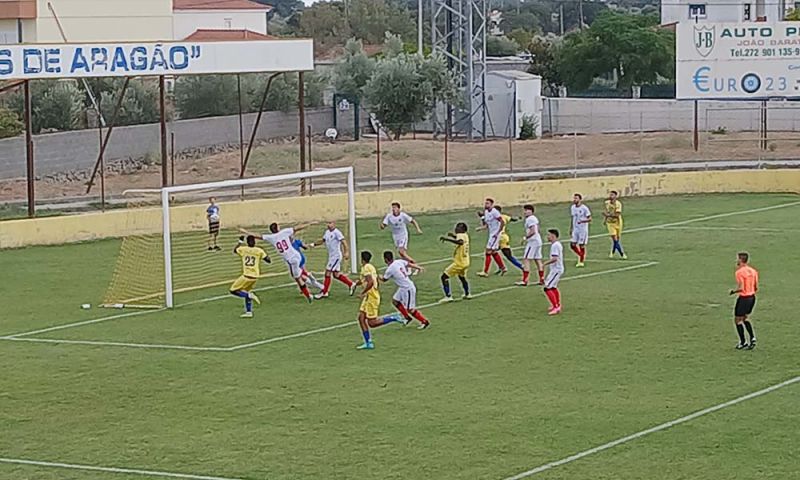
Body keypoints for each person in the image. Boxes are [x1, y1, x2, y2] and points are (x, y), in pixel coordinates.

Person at [239, 222, 317, 303]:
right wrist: (309, 223)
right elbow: (297, 228)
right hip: (297, 255)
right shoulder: (285, 232)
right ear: (278, 228)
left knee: (298, 279)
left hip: (291, 260)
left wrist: (245, 231)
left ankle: (309, 294)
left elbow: (258, 235)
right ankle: (308, 277)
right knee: (297, 274)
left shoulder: (271, 237)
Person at [355, 251, 402, 350]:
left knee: (372, 323)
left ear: (362, 259)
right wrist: (356, 283)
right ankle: (368, 343)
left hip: (371, 297)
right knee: (361, 318)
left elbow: (371, 282)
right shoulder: (370, 267)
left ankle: (393, 318)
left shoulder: (366, 268)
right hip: (369, 297)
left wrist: (362, 293)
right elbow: (367, 280)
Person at [380, 251, 430, 329]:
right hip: (403, 287)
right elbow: (408, 264)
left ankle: (424, 321)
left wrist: (376, 275)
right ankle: (407, 318)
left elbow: (384, 280)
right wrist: (418, 267)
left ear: (385, 259)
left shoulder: (390, 269)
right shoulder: (398, 261)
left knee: (410, 309)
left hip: (407, 288)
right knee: (395, 301)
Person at [229, 235, 270, 318]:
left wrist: (240, 242)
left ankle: (249, 296)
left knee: (233, 290)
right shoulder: (259, 250)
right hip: (255, 277)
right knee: (246, 291)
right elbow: (268, 260)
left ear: (247, 242)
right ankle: (249, 312)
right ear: (255, 242)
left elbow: (235, 250)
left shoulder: (243, 249)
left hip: (246, 276)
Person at [314, 221, 357, 299]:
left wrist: (346, 252)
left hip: (336, 256)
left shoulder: (337, 233)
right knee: (336, 275)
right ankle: (351, 284)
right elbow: (322, 240)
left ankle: (324, 292)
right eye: (327, 223)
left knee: (327, 273)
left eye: (330, 223)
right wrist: (313, 244)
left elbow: (344, 242)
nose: (328, 225)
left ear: (334, 224)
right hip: (331, 256)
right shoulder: (327, 232)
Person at [730, 252, 759, 350]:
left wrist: (733, 291)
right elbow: (756, 287)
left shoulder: (739, 272)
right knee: (745, 318)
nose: (736, 261)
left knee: (737, 320)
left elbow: (741, 288)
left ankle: (743, 342)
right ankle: (752, 338)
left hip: (744, 298)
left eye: (737, 259)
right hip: (752, 297)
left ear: (741, 260)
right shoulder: (753, 271)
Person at [439, 222, 472, 302]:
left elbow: (460, 242)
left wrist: (447, 239)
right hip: (466, 261)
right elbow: (461, 240)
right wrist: (453, 236)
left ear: (462, 229)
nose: (456, 229)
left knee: (444, 276)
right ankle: (467, 294)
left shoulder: (460, 236)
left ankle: (448, 296)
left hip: (459, 262)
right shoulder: (465, 235)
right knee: (462, 277)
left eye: (458, 227)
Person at [476, 198, 507, 277]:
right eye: (485, 203)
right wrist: (481, 227)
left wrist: (498, 232)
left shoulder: (495, 212)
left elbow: (502, 221)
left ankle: (485, 272)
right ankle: (503, 268)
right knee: (493, 252)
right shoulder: (486, 212)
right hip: (491, 234)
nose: (486, 205)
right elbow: (486, 225)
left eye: (487, 203)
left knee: (488, 252)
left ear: (492, 204)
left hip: (495, 235)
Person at [517, 204, 544, 286]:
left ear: (531, 211)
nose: (525, 212)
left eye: (527, 210)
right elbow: (537, 229)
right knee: (537, 259)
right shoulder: (534, 218)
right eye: (524, 210)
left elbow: (533, 231)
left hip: (533, 242)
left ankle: (525, 280)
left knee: (526, 259)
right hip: (538, 240)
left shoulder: (530, 219)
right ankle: (542, 279)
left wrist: (525, 238)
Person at [494, 206, 524, 272]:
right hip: (503, 237)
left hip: (500, 238)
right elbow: (513, 219)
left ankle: (521, 266)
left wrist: (482, 217)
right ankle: (501, 267)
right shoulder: (504, 216)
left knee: (508, 256)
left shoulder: (493, 218)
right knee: (492, 252)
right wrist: (518, 218)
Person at [542, 229, 564, 316]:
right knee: (553, 287)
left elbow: (555, 258)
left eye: (549, 235)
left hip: (556, 269)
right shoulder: (556, 244)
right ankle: (557, 305)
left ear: (553, 236)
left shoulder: (555, 246)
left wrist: (544, 264)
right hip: (555, 269)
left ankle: (556, 307)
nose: (547, 237)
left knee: (547, 287)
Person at [569, 193, 592, 268]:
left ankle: (581, 261)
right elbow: (572, 218)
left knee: (581, 245)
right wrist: (571, 228)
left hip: (582, 229)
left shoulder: (584, 208)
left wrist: (582, 221)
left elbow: (590, 219)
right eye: (574, 198)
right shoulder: (572, 207)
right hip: (575, 229)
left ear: (580, 199)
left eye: (576, 198)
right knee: (572, 244)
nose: (574, 200)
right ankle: (581, 255)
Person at [603, 191, 627, 259]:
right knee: (614, 238)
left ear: (615, 196)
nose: (611, 196)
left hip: (618, 222)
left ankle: (612, 252)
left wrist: (608, 215)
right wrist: (605, 219)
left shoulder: (618, 204)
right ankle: (622, 254)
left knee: (617, 240)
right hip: (610, 223)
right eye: (610, 195)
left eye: (612, 195)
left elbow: (617, 214)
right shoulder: (607, 203)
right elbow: (606, 211)